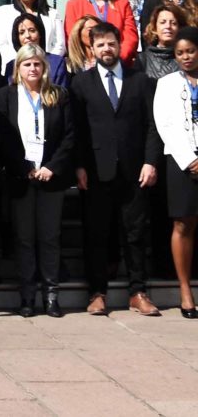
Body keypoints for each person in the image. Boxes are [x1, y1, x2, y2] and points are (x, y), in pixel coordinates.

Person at [70, 21, 162, 316]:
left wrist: (150, 161)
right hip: (97, 170)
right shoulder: (81, 83)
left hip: (135, 171)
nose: (106, 49)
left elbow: (152, 126)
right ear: (92, 49)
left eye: (111, 43)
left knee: (134, 234)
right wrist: (80, 166)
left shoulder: (141, 81)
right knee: (96, 234)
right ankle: (97, 293)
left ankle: (138, 291)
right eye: (100, 45)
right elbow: (78, 130)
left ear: (120, 45)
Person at [0, 44, 75, 318]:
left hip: (51, 177)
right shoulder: (5, 96)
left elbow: (69, 136)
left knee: (50, 238)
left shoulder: (58, 96)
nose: (33, 69)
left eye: (37, 64)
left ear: (44, 68)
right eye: (27, 64)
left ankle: (51, 296)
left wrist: (52, 167)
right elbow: (3, 138)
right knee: (25, 239)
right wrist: (24, 166)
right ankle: (27, 297)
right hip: (21, 178)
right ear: (18, 68)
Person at [153, 26, 198, 319]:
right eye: (180, 53)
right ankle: (185, 291)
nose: (185, 57)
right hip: (182, 162)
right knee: (183, 224)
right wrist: (190, 160)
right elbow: (164, 124)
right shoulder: (167, 83)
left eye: (191, 51)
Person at [141, 4, 187, 79]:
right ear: (155, 28)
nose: (168, 26)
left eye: (173, 23)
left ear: (180, 28)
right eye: (163, 22)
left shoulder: (187, 58)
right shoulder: (143, 60)